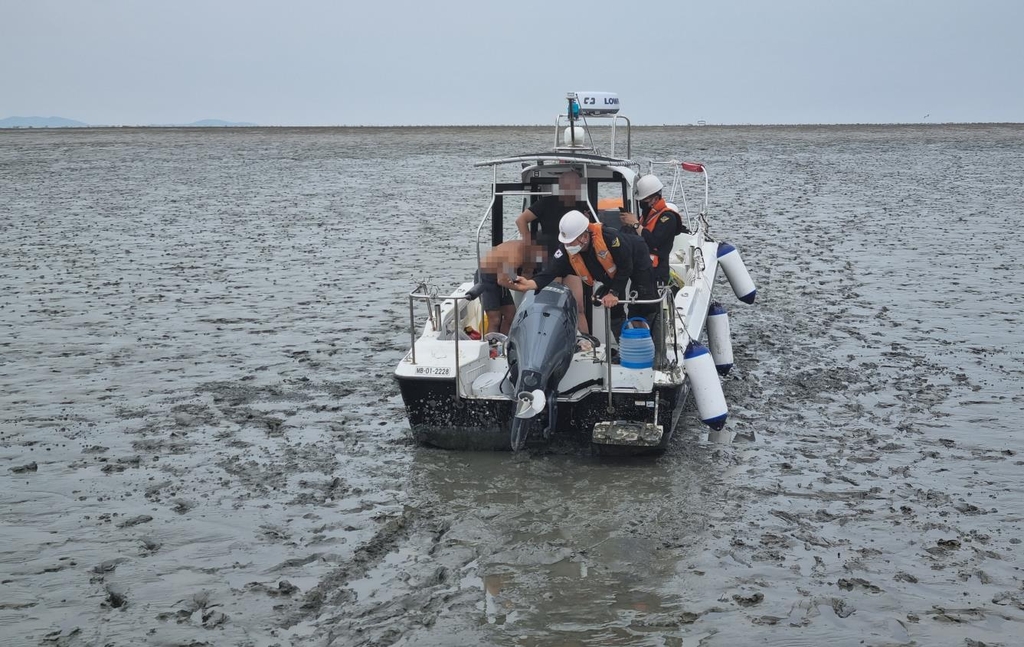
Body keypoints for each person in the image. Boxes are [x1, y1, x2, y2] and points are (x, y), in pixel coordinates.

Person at [508, 210, 659, 341]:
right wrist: (530, 284)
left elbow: (626, 267)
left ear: (584, 237)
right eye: (565, 242)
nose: (568, 246)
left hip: (636, 257)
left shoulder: (610, 238)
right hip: (608, 272)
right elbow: (551, 271)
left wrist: (614, 293)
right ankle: (624, 347)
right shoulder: (566, 250)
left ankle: (655, 350)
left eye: (571, 241)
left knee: (645, 300)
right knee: (613, 309)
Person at [515, 170, 594, 333]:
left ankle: (586, 341)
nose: (574, 189)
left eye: (577, 186)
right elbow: (521, 220)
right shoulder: (546, 202)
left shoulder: (582, 206)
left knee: (579, 306)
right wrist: (529, 245)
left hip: (573, 261)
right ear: (561, 186)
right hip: (550, 261)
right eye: (571, 185)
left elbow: (592, 231)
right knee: (551, 306)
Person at [619, 174, 688, 288]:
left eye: (644, 200)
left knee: (651, 303)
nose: (642, 203)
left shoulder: (668, 218)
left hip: (657, 273)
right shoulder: (646, 216)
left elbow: (653, 241)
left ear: (655, 199)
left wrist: (635, 224)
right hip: (641, 270)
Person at [470, 240, 547, 335]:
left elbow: (525, 275)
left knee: (511, 315)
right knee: (495, 319)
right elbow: (502, 280)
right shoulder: (517, 256)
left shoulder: (531, 256)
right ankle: (491, 346)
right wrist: (523, 288)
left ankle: (503, 343)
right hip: (486, 276)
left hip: (501, 273)